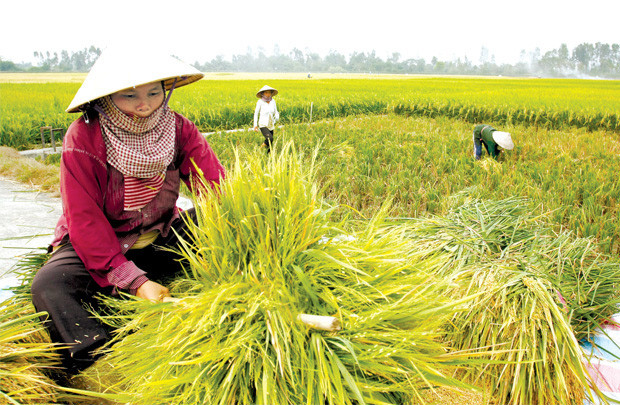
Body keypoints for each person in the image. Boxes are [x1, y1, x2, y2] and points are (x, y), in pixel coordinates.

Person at [30, 47, 225, 378]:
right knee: (50, 285)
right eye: (129, 95)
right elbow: (85, 220)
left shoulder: (178, 129)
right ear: (107, 97)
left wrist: (243, 231)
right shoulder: (83, 138)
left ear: (167, 88)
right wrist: (134, 282)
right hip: (103, 245)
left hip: (162, 233)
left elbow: (215, 186)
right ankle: (100, 365)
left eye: (153, 91)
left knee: (213, 223)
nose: (145, 104)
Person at [253, 85, 280, 153]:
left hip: (271, 123)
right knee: (270, 138)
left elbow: (275, 111)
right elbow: (256, 113)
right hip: (263, 124)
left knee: (270, 142)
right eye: (266, 93)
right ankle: (260, 149)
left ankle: (268, 155)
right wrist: (255, 125)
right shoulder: (260, 102)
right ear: (262, 93)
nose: (268, 94)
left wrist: (277, 116)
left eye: (269, 93)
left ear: (271, 93)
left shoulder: (273, 101)